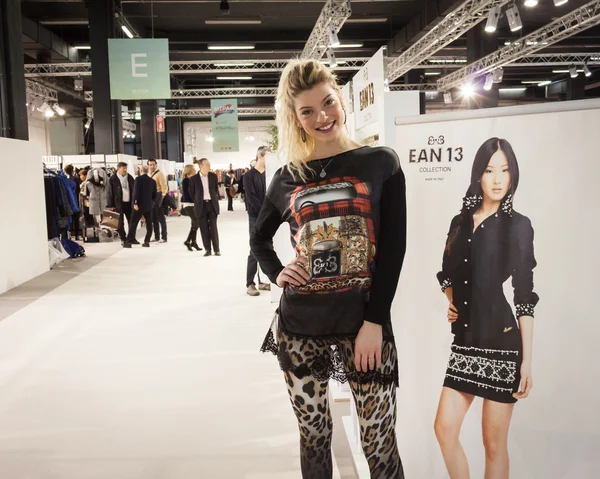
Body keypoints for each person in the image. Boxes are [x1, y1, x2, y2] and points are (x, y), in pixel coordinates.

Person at [250, 59, 406, 478]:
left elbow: (393, 251)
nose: (322, 117)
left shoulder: (380, 163)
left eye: (328, 103)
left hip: (364, 325)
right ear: (295, 118)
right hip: (300, 326)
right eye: (307, 111)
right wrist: (278, 272)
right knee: (314, 434)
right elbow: (259, 238)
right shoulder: (286, 177)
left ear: (340, 99)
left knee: (379, 438)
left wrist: (376, 321)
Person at [434, 138, 538, 479]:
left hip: (502, 344)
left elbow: (523, 294)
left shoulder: (517, 225)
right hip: (465, 341)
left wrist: (527, 361)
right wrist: (452, 303)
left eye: (505, 170)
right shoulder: (459, 221)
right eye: (490, 170)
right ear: (478, 175)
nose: (497, 179)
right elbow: (446, 273)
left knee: (493, 444)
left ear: (513, 176)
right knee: (444, 429)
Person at [245, 146, 271, 296]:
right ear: (260, 156)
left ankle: (262, 281)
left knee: (266, 247)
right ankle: (250, 283)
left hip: (268, 215)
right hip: (256, 216)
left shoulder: (268, 174)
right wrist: (264, 212)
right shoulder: (249, 176)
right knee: (254, 248)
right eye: (268, 156)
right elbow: (251, 198)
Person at [189, 158, 221, 256]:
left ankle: (216, 249)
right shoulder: (193, 179)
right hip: (201, 206)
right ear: (201, 166)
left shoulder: (213, 176)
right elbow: (191, 193)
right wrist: (198, 200)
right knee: (204, 228)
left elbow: (215, 189)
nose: (209, 166)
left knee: (213, 227)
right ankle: (208, 249)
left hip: (212, 204)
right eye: (207, 165)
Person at [124, 165, 157, 248]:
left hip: (138, 205)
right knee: (149, 223)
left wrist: (135, 203)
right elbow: (155, 195)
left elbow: (135, 192)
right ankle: (147, 241)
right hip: (148, 206)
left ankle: (128, 242)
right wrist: (151, 203)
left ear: (141, 170)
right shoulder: (152, 181)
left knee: (133, 223)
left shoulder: (138, 179)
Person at [107, 161, 135, 245]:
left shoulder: (129, 177)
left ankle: (131, 238)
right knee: (120, 222)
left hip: (129, 203)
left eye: (126, 168)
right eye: (124, 168)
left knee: (131, 221)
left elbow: (134, 189)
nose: (125, 170)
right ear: (118, 168)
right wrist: (110, 205)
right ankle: (123, 238)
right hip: (118, 203)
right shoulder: (113, 179)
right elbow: (109, 193)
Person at [180, 164, 202, 252]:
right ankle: (189, 241)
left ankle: (192, 242)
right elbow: (187, 193)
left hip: (192, 204)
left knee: (195, 223)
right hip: (188, 204)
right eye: (193, 168)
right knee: (196, 222)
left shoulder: (191, 180)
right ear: (189, 170)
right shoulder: (186, 180)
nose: (194, 169)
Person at [148, 159, 168, 243]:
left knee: (161, 218)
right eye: (150, 165)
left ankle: (164, 237)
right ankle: (156, 237)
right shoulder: (149, 174)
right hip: (151, 199)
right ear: (148, 166)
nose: (152, 166)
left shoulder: (160, 174)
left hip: (158, 197)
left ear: (156, 165)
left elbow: (164, 187)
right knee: (154, 219)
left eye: (153, 164)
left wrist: (162, 197)